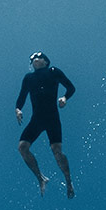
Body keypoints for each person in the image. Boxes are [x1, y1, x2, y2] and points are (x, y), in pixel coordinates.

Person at [16, 51, 76, 198]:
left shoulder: (53, 72)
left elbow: (71, 88)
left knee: (56, 151)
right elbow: (22, 95)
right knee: (22, 148)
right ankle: (41, 178)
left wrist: (64, 98)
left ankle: (69, 182)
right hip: (37, 119)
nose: (36, 59)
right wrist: (18, 109)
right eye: (33, 59)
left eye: (39, 57)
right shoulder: (28, 78)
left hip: (52, 118)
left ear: (46, 62)